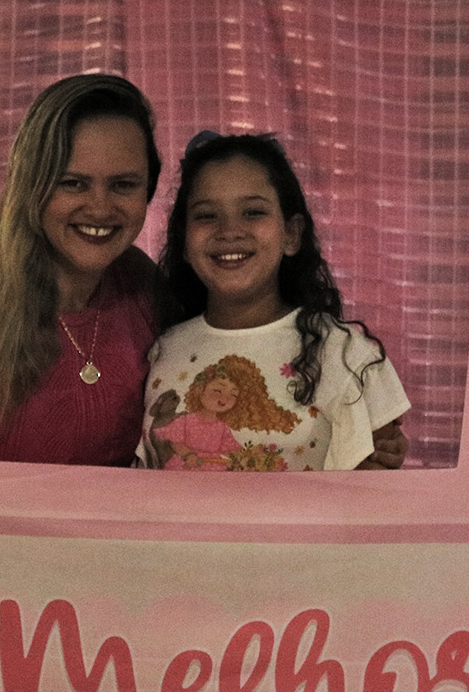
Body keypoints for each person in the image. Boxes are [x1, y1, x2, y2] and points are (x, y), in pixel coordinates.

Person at [0, 73, 162, 463]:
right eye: (73, 183)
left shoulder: (142, 282)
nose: (100, 208)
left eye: (123, 185)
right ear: (30, 185)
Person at [138, 132, 409, 471]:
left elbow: (376, 480)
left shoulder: (345, 352)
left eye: (253, 212)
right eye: (206, 215)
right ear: (183, 242)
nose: (229, 230)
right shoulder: (162, 349)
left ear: (291, 234)